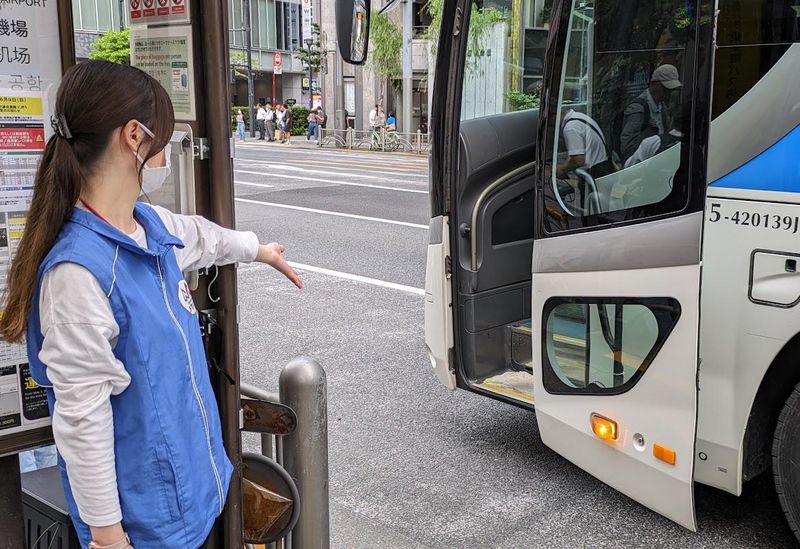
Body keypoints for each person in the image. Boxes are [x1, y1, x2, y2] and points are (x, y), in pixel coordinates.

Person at [0, 61, 303, 549]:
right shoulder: (77, 274)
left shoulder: (144, 225)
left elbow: (200, 236)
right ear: (134, 137)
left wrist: (258, 250)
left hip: (197, 496)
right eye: (163, 137)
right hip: (146, 529)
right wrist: (107, 537)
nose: (167, 152)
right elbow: (83, 422)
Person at [618, 64, 681, 162]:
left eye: (671, 90)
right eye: (665, 89)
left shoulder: (662, 106)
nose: (668, 93)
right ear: (653, 84)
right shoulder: (638, 108)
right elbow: (627, 146)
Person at [556, 108, 613, 179]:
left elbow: (578, 160)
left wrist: (562, 169)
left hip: (594, 173)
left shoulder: (570, 127)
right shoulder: (579, 116)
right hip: (604, 164)